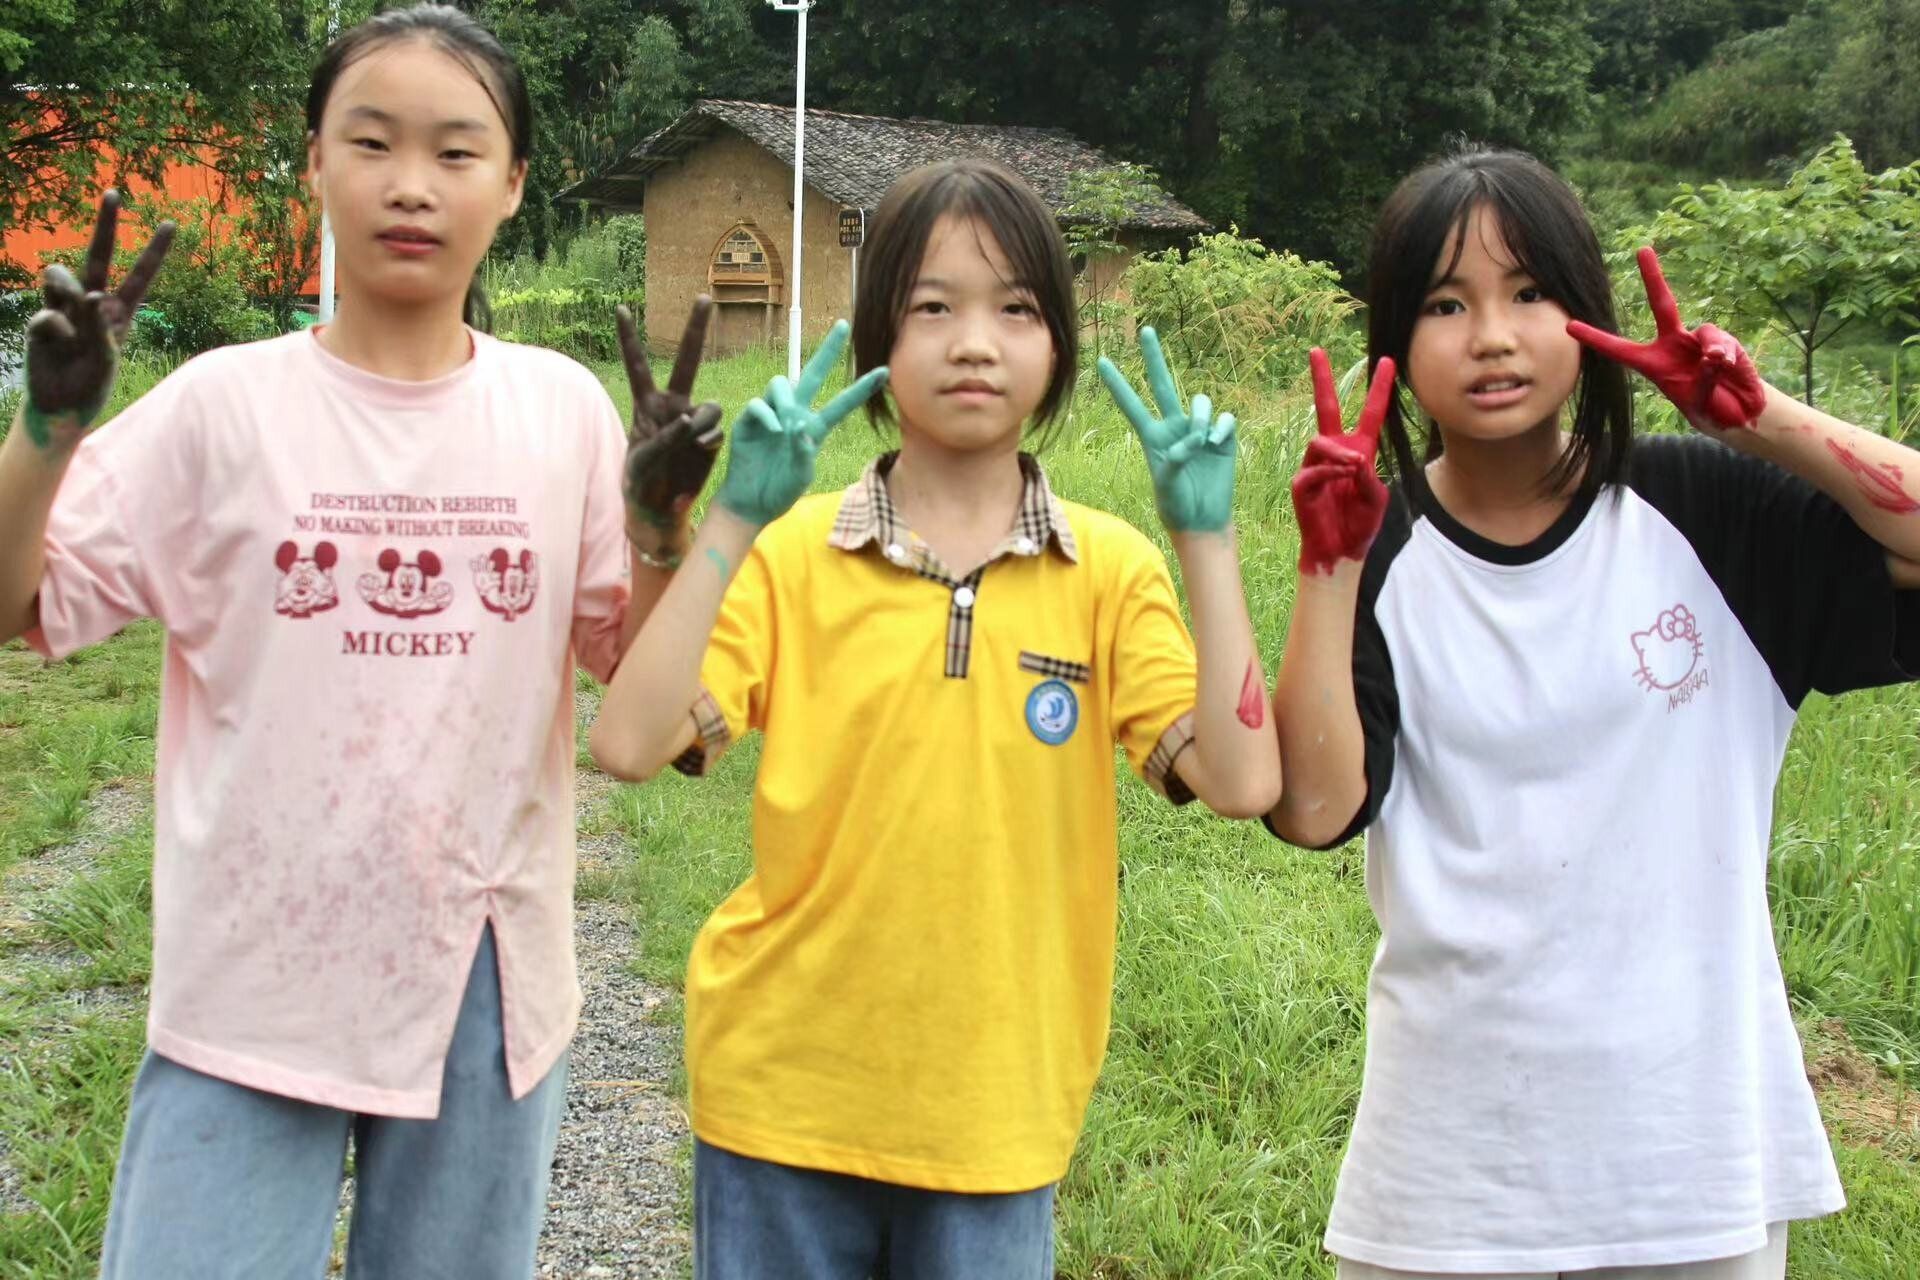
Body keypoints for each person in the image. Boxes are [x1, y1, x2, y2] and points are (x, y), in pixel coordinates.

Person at [0, 5, 723, 1275]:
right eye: (372, 141)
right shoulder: (223, 407)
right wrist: (44, 433)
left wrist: (661, 529)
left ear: (513, 182)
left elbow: (639, 693)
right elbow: (20, 605)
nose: (410, 184)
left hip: (482, 982)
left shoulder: (557, 410)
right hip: (251, 973)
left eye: (456, 151)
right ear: (315, 163)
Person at [590, 157, 1281, 1278]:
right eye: (932, 307)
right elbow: (626, 744)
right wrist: (728, 520)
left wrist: (1206, 538)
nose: (974, 343)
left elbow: (1244, 783)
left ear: (1057, 345)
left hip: (996, 1112)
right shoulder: (796, 554)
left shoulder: (1109, 571)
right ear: (878, 338)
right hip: (779, 1095)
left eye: (1016, 309)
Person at [1268, 143, 1919, 1279]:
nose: (1492, 335)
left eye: (1530, 293)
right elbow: (1316, 808)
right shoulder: (1381, 545)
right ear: (1395, 339)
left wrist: (1762, 421)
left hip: (1690, 1154)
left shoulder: (1705, 510)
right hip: (1449, 1170)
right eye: (1446, 303)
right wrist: (1328, 567)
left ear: (1588, 315)